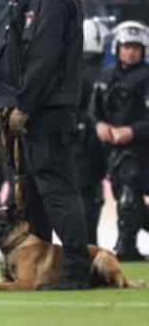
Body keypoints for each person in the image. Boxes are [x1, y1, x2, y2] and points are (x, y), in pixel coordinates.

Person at [0, 0, 91, 289]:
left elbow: (43, 54)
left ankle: (76, 270)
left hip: (45, 110)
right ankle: (37, 269)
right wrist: (7, 100)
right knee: (31, 191)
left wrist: (25, 104)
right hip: (35, 108)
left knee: (57, 189)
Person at [89, 21, 149, 260]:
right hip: (110, 150)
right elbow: (94, 109)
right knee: (123, 197)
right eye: (126, 46)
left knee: (128, 195)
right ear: (117, 48)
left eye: (136, 47)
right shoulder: (104, 75)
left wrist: (132, 131)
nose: (131, 51)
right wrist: (99, 124)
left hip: (142, 147)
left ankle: (126, 246)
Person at [74, 17, 111, 245]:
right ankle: (90, 246)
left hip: (81, 144)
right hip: (104, 142)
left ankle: (88, 245)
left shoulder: (72, 72)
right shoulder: (103, 73)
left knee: (85, 195)